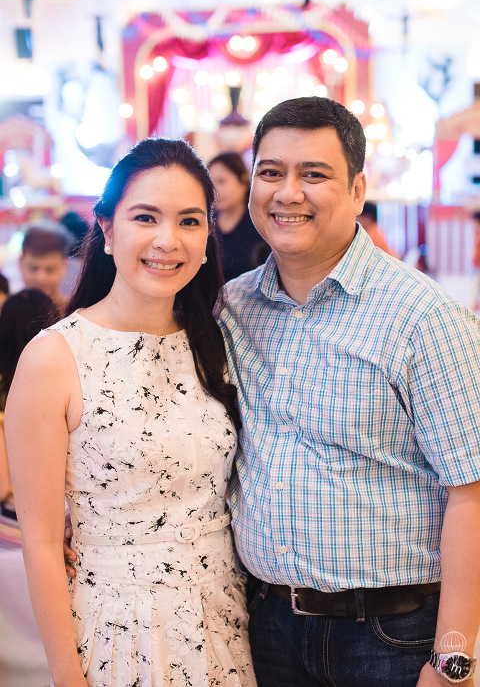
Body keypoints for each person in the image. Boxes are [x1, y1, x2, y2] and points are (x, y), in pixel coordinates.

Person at [217, 97, 480, 687]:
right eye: (271, 172)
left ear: (358, 190)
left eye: (314, 174)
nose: (288, 193)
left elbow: (472, 490)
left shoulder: (423, 317)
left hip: (393, 635)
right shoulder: (232, 308)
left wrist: (454, 661)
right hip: (266, 624)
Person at [6, 138, 256, 687]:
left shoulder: (217, 341)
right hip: (119, 632)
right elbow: (42, 544)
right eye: (146, 217)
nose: (168, 240)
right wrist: (67, 677)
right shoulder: (55, 358)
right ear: (107, 228)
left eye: (189, 221)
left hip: (226, 621)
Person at [0, 288, 59, 687]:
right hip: (61, 534)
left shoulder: (5, 396)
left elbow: (3, 486)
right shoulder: (64, 381)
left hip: (10, 540)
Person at [208, 152, 269, 281]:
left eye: (222, 181)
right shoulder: (208, 224)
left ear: (243, 181)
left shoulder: (259, 223)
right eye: (211, 183)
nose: (215, 190)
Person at [18, 220, 73, 312]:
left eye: (50, 269)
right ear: (20, 263)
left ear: (65, 266)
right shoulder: (6, 309)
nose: (41, 278)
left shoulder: (72, 313)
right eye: (33, 268)